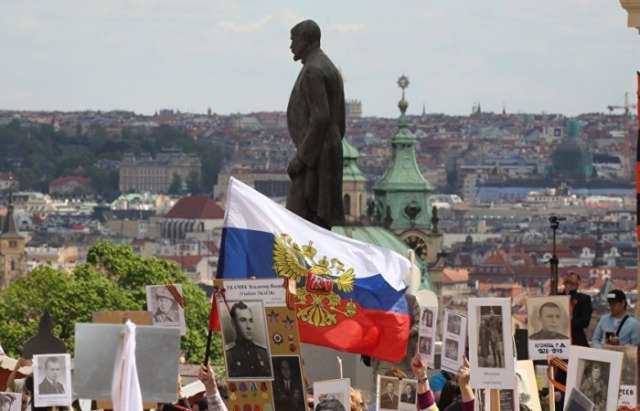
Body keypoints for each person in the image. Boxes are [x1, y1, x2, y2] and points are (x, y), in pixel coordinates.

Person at [286, 19, 346, 229]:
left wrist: (301, 159)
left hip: (314, 157)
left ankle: (300, 262)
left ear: (307, 40)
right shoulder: (328, 67)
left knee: (298, 219)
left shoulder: (313, 70)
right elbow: (339, 121)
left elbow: (321, 118)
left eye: (294, 40)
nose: (291, 46)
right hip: (326, 150)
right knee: (317, 222)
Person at [224, 302, 271, 378]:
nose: (249, 326)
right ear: (233, 323)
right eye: (243, 320)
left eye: (250, 320)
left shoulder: (263, 353)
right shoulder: (228, 354)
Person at [562, 271, 592, 346]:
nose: (569, 277)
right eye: (567, 281)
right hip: (559, 340)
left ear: (578, 283)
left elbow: (585, 322)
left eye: (572, 282)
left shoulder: (584, 299)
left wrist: (566, 323)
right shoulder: (556, 296)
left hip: (577, 339)